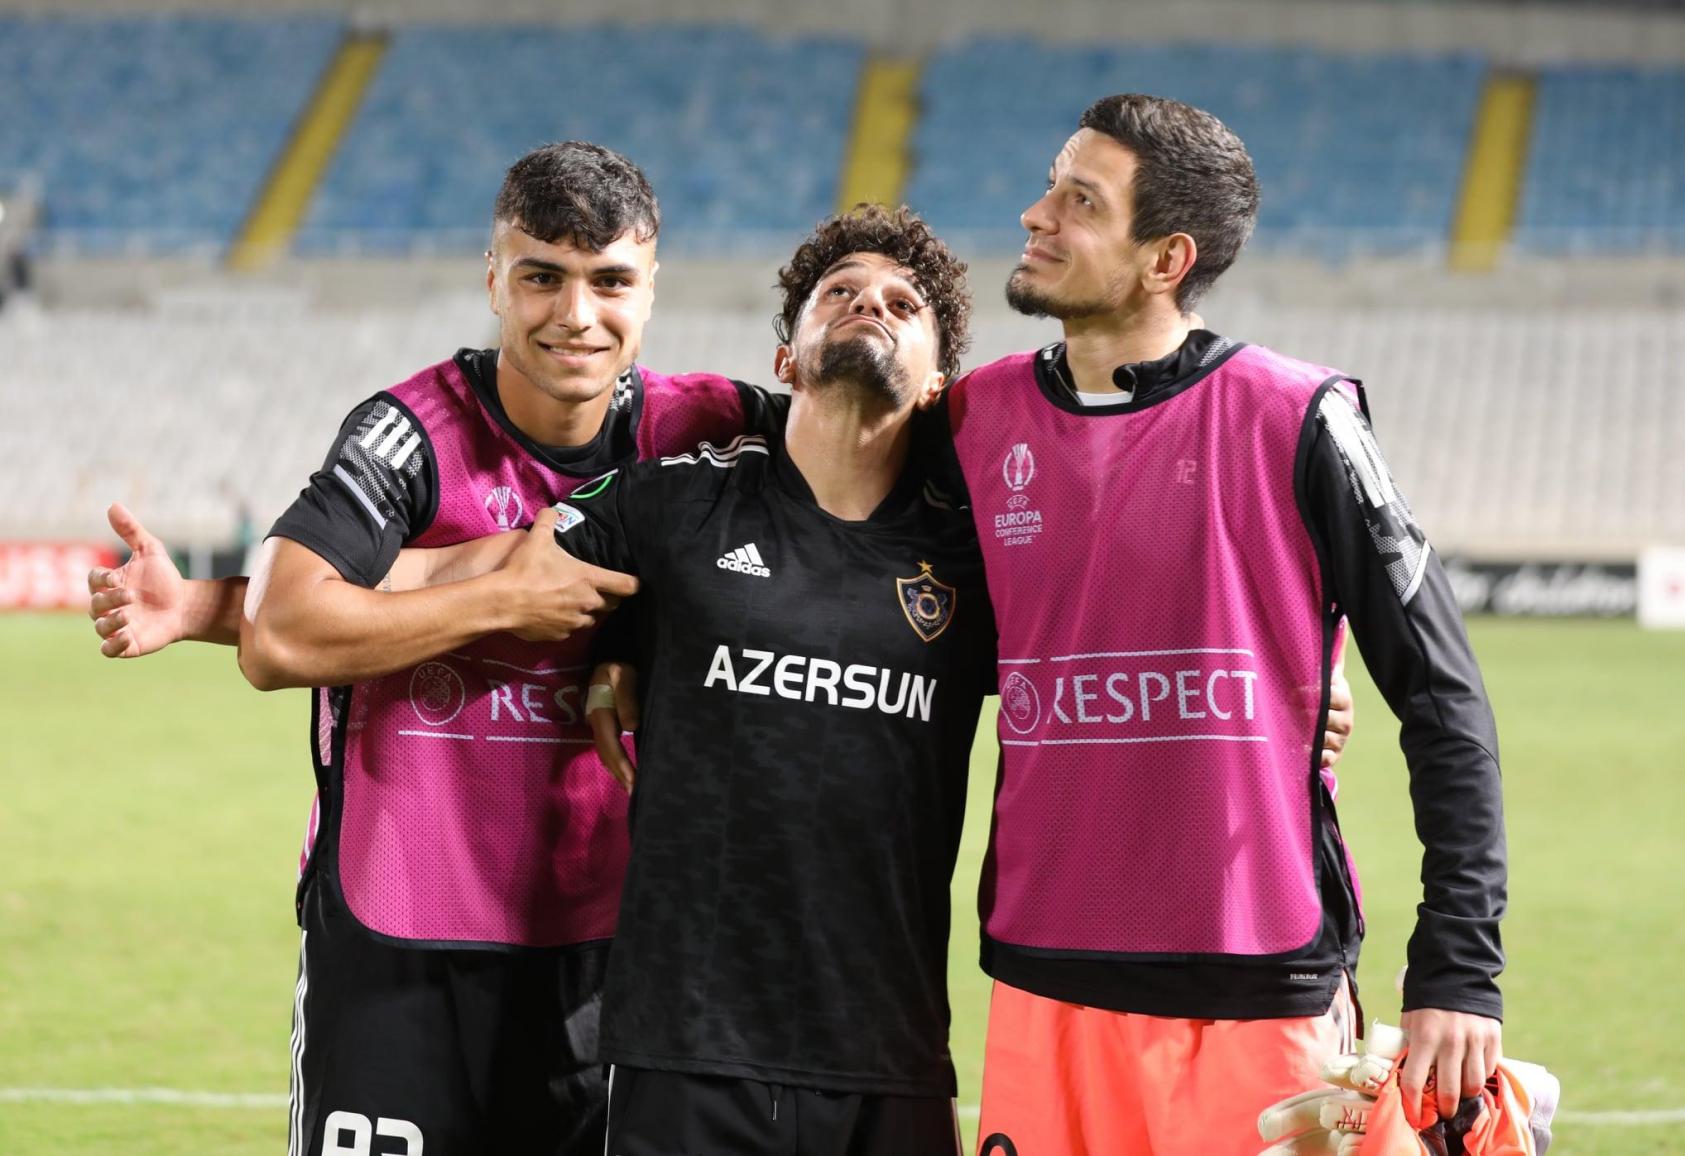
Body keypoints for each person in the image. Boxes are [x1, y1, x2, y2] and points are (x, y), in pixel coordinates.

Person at [90, 141, 784, 1156]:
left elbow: (860, 470)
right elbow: (282, 634)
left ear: (649, 289)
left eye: (609, 282)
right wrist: (506, 596)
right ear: (493, 279)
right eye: (541, 276)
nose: (575, 313)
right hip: (399, 937)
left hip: (607, 947)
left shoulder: (708, 426)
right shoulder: (408, 434)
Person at [936, 94, 1507, 1155]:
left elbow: (1442, 696)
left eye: (1079, 201)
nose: (1035, 215)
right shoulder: (974, 419)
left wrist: (1457, 969)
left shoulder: (1298, 415)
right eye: (1050, 187)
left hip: (1253, 988)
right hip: (1040, 976)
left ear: (1166, 259)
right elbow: (915, 629)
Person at [553, 203, 990, 1154]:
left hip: (891, 1054)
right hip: (685, 1048)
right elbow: (499, 573)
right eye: (839, 293)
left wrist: (1304, 690)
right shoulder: (677, 502)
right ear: (785, 358)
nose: (869, 305)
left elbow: (1123, 630)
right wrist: (228, 606)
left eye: (903, 304)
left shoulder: (978, 557)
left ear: (936, 385)